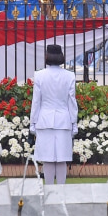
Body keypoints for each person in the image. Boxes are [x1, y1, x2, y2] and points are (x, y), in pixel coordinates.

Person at [30, 44, 78, 185]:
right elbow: (72, 102)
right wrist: (73, 122)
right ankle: (61, 190)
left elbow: (36, 101)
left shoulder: (39, 75)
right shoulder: (69, 76)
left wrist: (33, 122)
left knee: (48, 158)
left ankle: (49, 190)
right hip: (64, 120)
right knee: (61, 157)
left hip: (44, 119)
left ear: (47, 56)